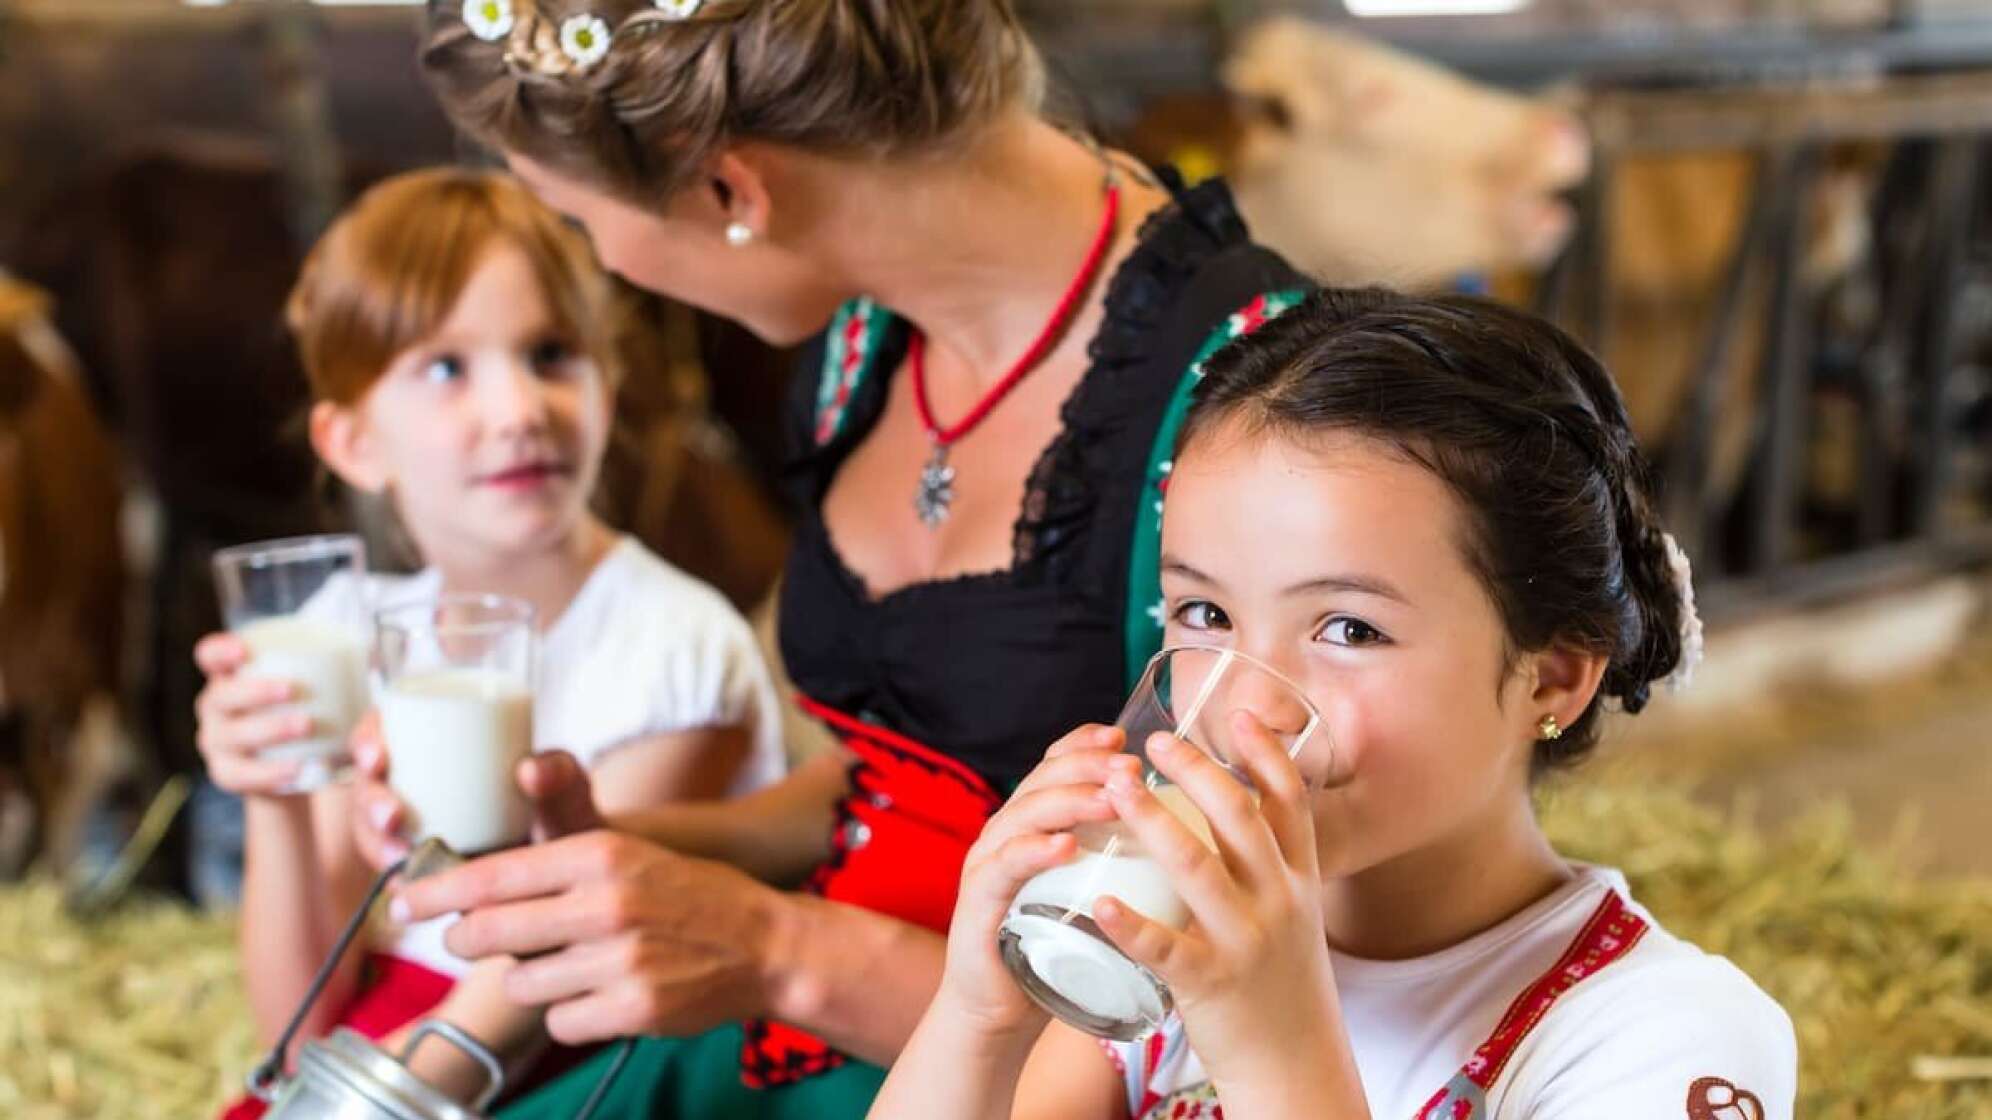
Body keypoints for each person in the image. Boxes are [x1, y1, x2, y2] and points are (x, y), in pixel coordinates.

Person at [366, 0, 1318, 1116]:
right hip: (812, 1039)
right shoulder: (859, 345)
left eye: (580, 226)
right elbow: (907, 776)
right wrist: (634, 855)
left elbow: (1253, 1007)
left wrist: (776, 947)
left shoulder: (1264, 408)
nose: (609, 266)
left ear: (732, 192)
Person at [868, 288, 1797, 1120]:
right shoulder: (1161, 937)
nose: (1245, 711)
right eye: (1205, 613)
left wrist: (1275, 1049)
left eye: (1349, 631)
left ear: (1551, 677)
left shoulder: (1666, 1038)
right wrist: (976, 1021)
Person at [192, 168, 785, 1116]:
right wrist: (276, 790)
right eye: (446, 367)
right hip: (399, 1031)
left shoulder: (672, 645)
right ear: (352, 443)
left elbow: (545, 973)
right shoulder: (356, 627)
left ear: (609, 380)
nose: (518, 411)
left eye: (553, 354)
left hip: (569, 1049)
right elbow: (296, 1030)